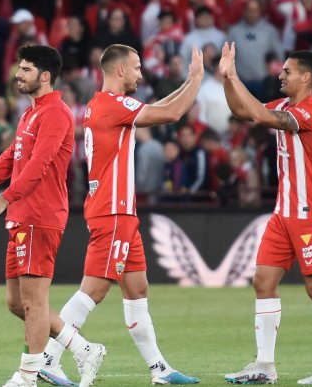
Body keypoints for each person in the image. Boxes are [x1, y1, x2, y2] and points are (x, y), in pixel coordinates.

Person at [40, 45, 204, 386]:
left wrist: (188, 80)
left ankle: (159, 369)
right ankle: (48, 358)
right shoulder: (112, 106)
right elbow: (171, 114)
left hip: (121, 213)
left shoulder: (102, 106)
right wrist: (196, 79)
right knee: (94, 290)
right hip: (112, 212)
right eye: (137, 68)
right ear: (119, 71)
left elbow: (158, 108)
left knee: (137, 287)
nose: (141, 74)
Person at [0, 46, 107, 387]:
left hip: (41, 214)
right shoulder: (30, 112)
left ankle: (27, 376)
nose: (18, 75)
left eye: (25, 69)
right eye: (19, 68)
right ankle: (84, 349)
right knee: (15, 302)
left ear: (45, 75)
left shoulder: (56, 113)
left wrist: (3, 199)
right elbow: (11, 158)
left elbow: (40, 165)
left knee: (35, 302)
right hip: (23, 216)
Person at [219, 45, 312, 385]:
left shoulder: (311, 114)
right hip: (283, 212)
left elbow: (260, 117)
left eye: (287, 71)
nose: (280, 75)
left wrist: (235, 76)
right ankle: (264, 365)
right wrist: (227, 80)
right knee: (263, 281)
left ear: (306, 77)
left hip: (310, 212)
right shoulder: (286, 106)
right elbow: (243, 111)